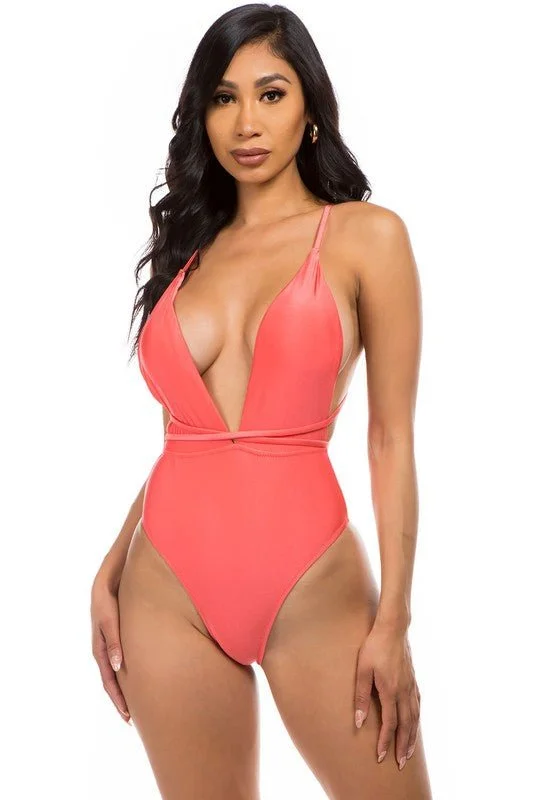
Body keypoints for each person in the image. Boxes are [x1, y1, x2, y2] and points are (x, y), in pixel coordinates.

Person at [90, 4, 432, 798]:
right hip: (162, 587)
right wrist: (110, 565)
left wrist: (393, 622)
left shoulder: (365, 236)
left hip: (310, 583)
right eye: (223, 97)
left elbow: (390, 439)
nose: (246, 122)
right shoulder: (189, 253)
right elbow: (186, 435)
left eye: (270, 94)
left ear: (310, 109)